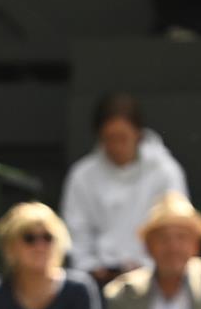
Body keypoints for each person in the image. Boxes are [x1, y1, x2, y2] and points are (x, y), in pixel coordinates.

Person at [60, 93, 189, 285]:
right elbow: (76, 232)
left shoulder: (166, 171)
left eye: (123, 138)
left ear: (138, 133)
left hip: (156, 280)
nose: (117, 146)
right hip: (97, 280)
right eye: (110, 138)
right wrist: (90, 266)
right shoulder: (82, 175)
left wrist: (150, 265)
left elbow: (177, 226)